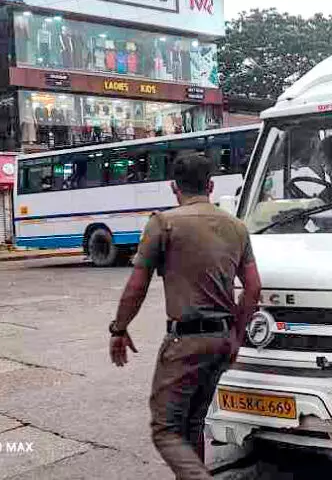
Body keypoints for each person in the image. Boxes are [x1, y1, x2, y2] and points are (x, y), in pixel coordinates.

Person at [108, 154, 262, 479]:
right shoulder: (236, 227)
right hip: (221, 341)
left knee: (164, 429)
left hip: (186, 341)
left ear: (173, 187)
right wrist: (235, 334)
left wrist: (119, 328)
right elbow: (253, 289)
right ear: (210, 185)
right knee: (193, 424)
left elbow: (137, 285)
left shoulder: (163, 224)